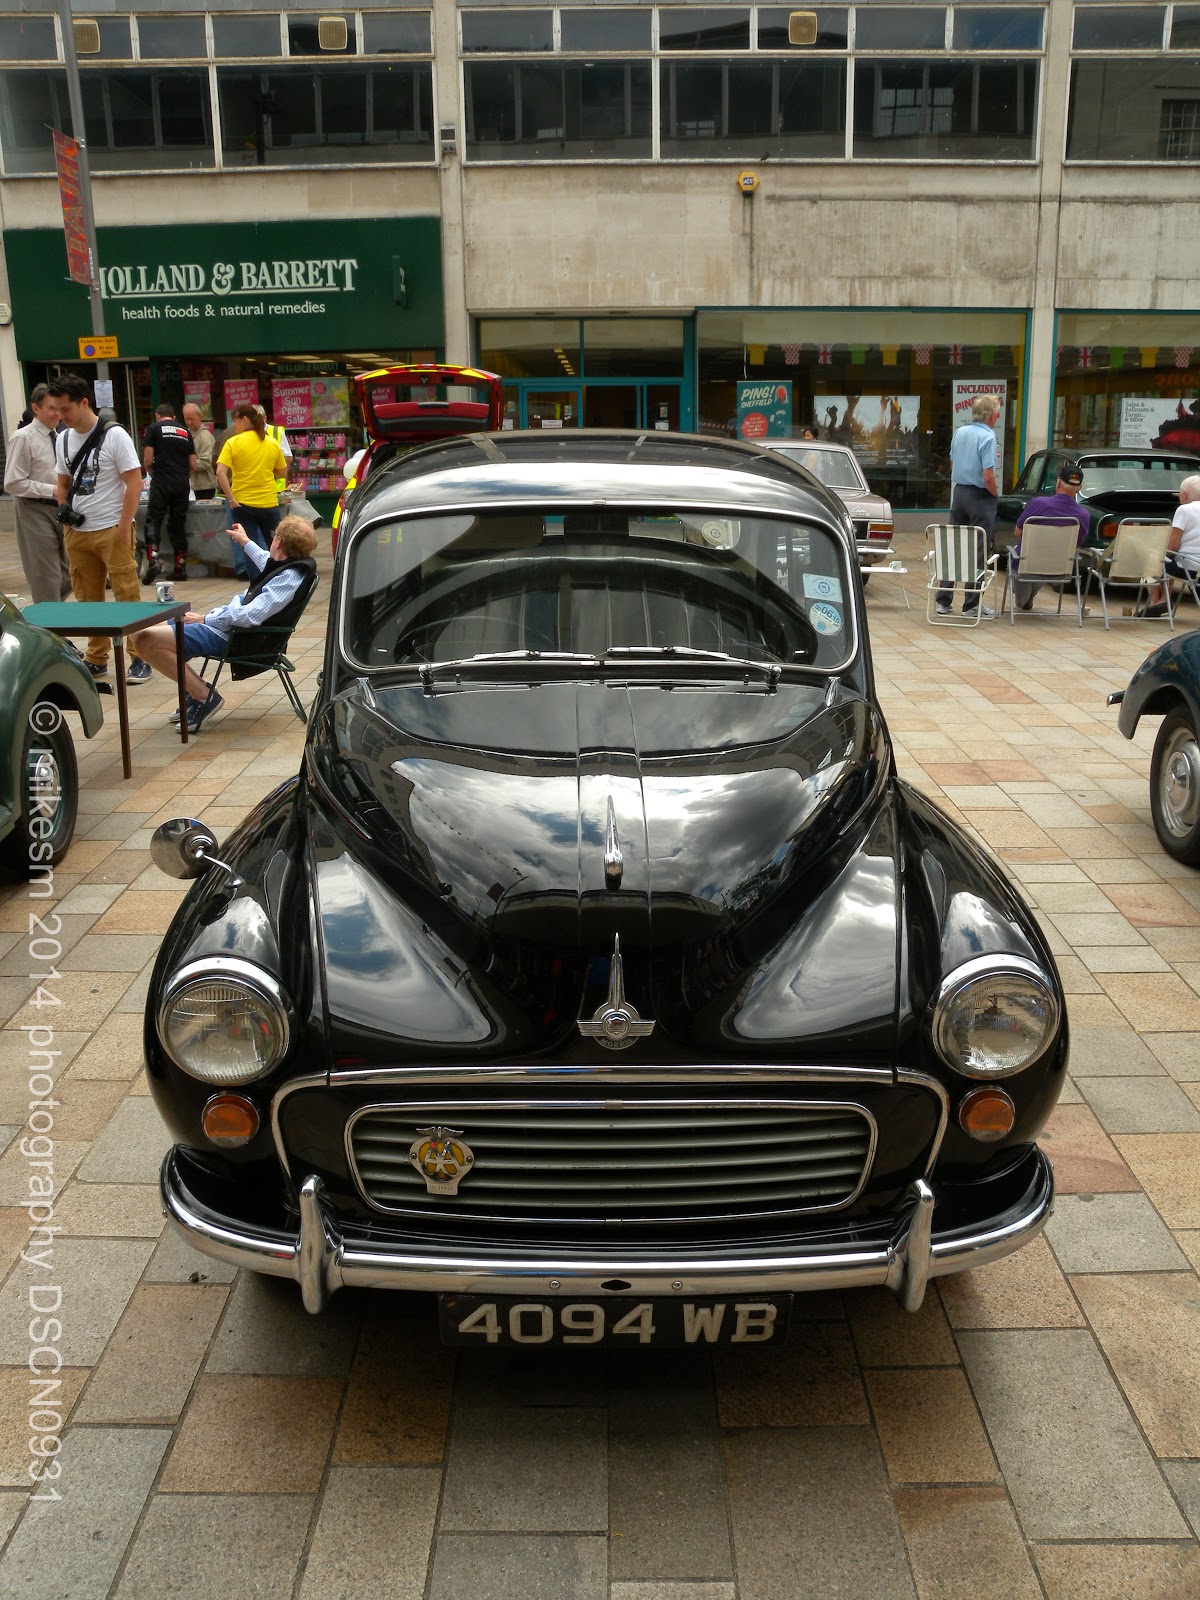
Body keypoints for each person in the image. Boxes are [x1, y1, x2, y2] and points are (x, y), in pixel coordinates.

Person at [130, 514, 317, 733]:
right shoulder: (288, 565)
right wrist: (245, 541)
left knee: (144, 639)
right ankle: (196, 690)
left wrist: (204, 618)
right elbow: (266, 560)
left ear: (279, 542)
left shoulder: (289, 577)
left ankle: (202, 696)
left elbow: (249, 617)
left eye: (274, 536)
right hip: (229, 628)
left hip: (235, 637)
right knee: (141, 631)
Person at [45, 373, 146, 683]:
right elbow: (61, 483)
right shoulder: (62, 438)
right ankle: (96, 657)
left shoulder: (115, 436)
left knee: (126, 593)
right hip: (77, 532)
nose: (61, 417)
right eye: (57, 410)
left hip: (111, 528)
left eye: (66, 410)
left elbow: (134, 481)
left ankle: (140, 656)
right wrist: (64, 510)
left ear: (84, 402)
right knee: (87, 598)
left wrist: (123, 524)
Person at [4, 384, 73, 603]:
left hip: (61, 509)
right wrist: (52, 490)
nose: (57, 414)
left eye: (60, 409)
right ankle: (50, 628)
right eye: (52, 408)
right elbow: (12, 483)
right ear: (36, 408)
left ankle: (53, 620)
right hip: (33, 508)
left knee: (68, 574)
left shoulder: (61, 437)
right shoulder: (23, 438)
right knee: (46, 576)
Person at [938, 393, 1002, 619]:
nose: (999, 415)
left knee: (954, 544)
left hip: (960, 492)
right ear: (992, 415)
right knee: (978, 550)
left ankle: (943, 600)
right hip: (979, 495)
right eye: (997, 411)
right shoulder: (988, 437)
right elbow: (988, 475)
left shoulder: (960, 432)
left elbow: (954, 462)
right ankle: (971, 604)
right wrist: (996, 495)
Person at [1011, 461, 1090, 610]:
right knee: (1050, 554)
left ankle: (1023, 598)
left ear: (1058, 482)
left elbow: (1017, 532)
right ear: (1079, 488)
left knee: (1019, 555)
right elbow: (1077, 543)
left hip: (1028, 564)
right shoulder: (1083, 515)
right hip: (1060, 568)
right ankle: (1027, 597)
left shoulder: (1037, 504)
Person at [215, 405, 288, 567]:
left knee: (249, 545)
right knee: (275, 545)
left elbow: (220, 472)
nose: (234, 425)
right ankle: (278, 575)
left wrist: (231, 499)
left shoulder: (232, 443)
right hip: (268, 502)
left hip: (242, 503)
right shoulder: (271, 442)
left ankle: (256, 584)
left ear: (245, 420)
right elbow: (283, 472)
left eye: (235, 420)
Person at [141, 401, 197, 585]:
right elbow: (193, 465)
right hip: (182, 483)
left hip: (162, 481)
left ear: (158, 416)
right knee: (177, 523)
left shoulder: (154, 429)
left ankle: (154, 560)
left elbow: (148, 460)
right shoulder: (185, 431)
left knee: (153, 519)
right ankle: (180, 568)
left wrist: (155, 472)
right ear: (173, 417)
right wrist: (179, 473)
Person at [1141, 473, 1200, 617]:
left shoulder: (1184, 510)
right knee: (1168, 561)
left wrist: (1157, 552)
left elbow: (1172, 548)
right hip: (1198, 569)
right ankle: (1163, 599)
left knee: (1150, 558)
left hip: (1187, 568)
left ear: (1185, 494)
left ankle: (1156, 601)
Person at [254, 403, 292, 500]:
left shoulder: (277, 432)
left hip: (276, 489)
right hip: (254, 489)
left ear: (265, 418)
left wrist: (268, 460)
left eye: (259, 418)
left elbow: (288, 458)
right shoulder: (247, 433)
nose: (256, 421)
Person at [183, 402, 218, 500]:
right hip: (190, 485)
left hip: (205, 487)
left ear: (199, 416)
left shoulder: (205, 437)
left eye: (191, 419)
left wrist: (183, 463)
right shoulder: (186, 434)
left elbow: (206, 463)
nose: (189, 422)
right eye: (186, 419)